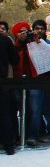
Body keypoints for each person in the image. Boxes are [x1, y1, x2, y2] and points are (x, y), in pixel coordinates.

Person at [25, 20, 50, 144]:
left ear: (45, 30)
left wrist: (40, 43)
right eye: (37, 28)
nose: (39, 31)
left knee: (48, 110)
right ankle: (34, 136)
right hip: (34, 82)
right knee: (35, 111)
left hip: (48, 81)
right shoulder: (28, 44)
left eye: (41, 28)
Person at [0, 19, 18, 154]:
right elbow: (15, 59)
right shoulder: (5, 40)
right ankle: (9, 145)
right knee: (5, 113)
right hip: (3, 80)